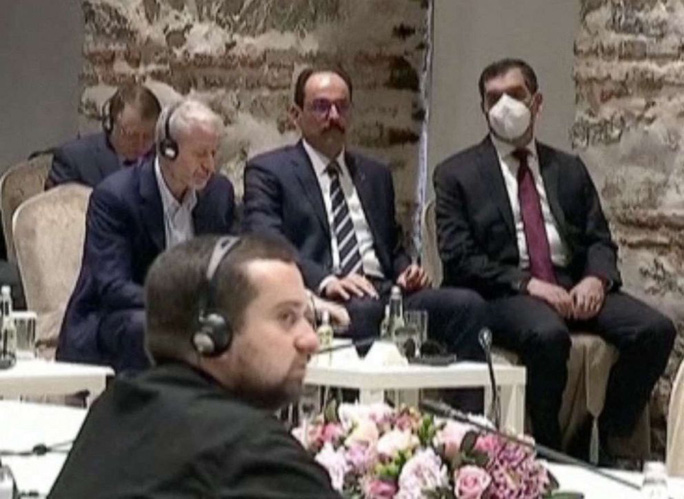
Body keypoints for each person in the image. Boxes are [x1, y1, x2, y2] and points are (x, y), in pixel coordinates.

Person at [434, 58, 676, 453]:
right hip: (504, 292)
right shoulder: (456, 174)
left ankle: (611, 438)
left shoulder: (568, 168)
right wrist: (529, 285)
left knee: (655, 330)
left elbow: (599, 239)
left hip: (571, 284)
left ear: (537, 102)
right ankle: (550, 449)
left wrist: (596, 279)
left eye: (516, 94)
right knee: (547, 335)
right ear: (483, 108)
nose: (505, 106)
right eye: (493, 98)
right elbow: (459, 258)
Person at [49, 235, 341, 498]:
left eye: (307, 318)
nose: (311, 340)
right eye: (286, 317)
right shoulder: (252, 451)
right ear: (214, 334)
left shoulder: (114, 409)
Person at [243, 66, 487, 372]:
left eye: (341, 107)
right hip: (324, 295)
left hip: (384, 291)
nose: (333, 116)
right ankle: (357, 404)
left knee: (466, 306)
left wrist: (406, 271)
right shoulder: (269, 171)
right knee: (363, 313)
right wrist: (327, 280)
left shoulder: (375, 174)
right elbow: (266, 241)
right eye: (321, 107)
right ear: (296, 114)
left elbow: (391, 246)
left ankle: (462, 404)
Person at [56, 98, 235, 372]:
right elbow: (113, 287)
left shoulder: (218, 193)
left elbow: (230, 265)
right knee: (146, 327)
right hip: (117, 319)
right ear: (167, 150)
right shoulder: (115, 196)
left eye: (213, 153)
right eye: (200, 154)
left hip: (191, 314)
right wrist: (178, 305)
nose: (209, 165)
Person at [46, 83, 161, 189]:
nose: (140, 144)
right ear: (112, 123)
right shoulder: (73, 158)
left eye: (148, 136)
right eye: (132, 135)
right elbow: (55, 203)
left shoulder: (161, 159)